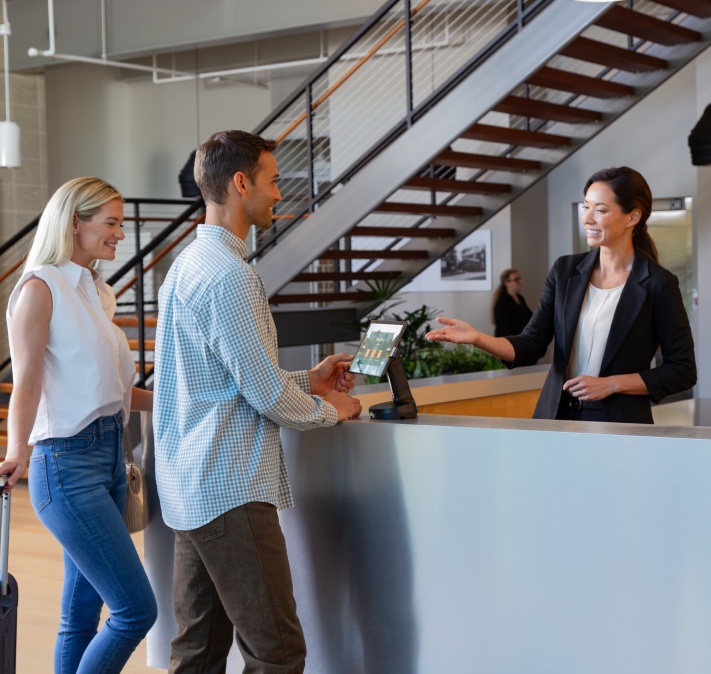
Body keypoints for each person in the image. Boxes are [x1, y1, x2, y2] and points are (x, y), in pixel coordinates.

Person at [153, 129, 362, 673]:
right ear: (241, 183)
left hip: (192, 489)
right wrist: (329, 409)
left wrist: (307, 379)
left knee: (196, 652)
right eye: (273, 182)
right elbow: (262, 393)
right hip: (230, 490)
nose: (279, 195)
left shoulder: (186, 265)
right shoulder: (230, 276)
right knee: (276, 651)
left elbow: (219, 380)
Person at [0, 177, 157, 673]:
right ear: (74, 222)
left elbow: (108, 388)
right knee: (136, 610)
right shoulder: (40, 288)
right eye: (110, 223)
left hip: (111, 455)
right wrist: (15, 450)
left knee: (81, 614)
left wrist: (172, 401)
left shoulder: (96, 292)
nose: (119, 235)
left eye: (120, 224)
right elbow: (26, 381)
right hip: (67, 464)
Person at [426, 166, 696, 424]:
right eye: (586, 206)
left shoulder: (658, 284)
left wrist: (612, 384)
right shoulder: (565, 271)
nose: (587, 218)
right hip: (556, 418)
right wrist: (478, 338)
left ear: (633, 217)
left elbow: (682, 370)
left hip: (620, 425)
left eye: (600, 210)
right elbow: (532, 343)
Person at [491, 268, 533, 337]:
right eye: (516, 280)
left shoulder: (520, 298)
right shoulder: (502, 301)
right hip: (508, 341)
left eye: (519, 279)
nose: (519, 282)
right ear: (507, 283)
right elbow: (503, 327)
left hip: (520, 339)